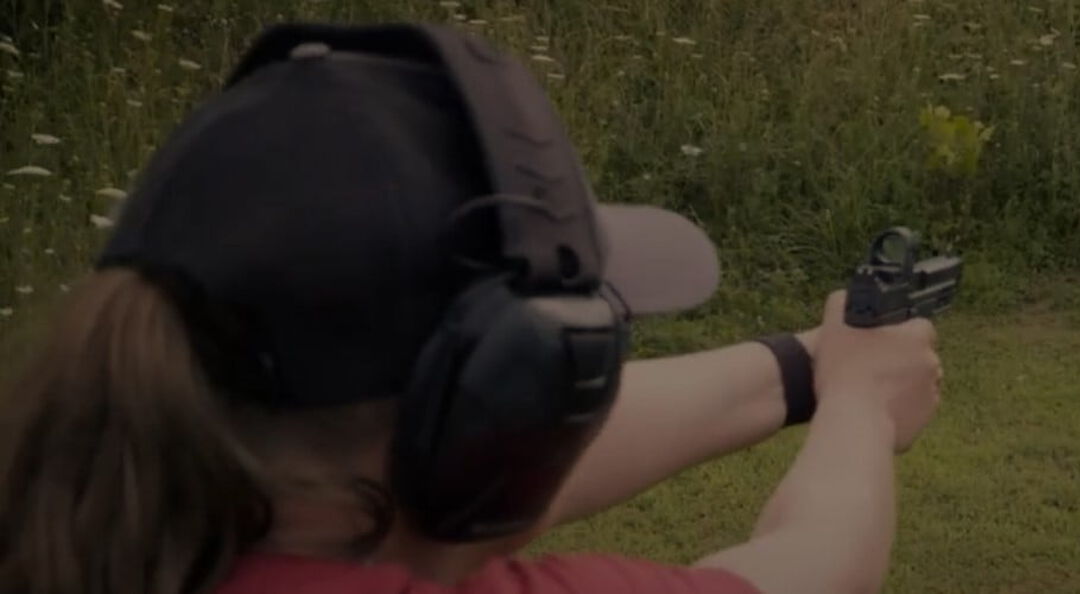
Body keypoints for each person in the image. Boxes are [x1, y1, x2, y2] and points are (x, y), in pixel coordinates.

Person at [0, 22, 943, 594]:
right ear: (481, 425)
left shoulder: (93, 527)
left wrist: (808, 366)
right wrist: (862, 410)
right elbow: (823, 563)